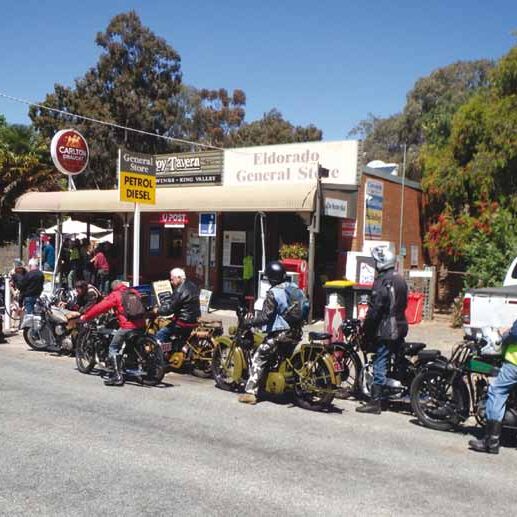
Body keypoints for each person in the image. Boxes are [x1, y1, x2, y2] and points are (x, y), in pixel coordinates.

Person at [238, 260, 303, 405]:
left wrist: (248, 322)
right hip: (296, 332)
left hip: (281, 334)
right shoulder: (294, 288)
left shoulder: (274, 293)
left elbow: (265, 317)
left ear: (271, 278)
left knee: (259, 356)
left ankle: (250, 393)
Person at [356, 246, 408, 415]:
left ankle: (375, 402)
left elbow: (375, 310)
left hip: (387, 328)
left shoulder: (382, 281)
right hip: (400, 325)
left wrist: (365, 329)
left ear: (381, 262)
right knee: (396, 357)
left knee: (380, 361)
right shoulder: (400, 279)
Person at [80, 280, 145, 386]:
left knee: (113, 348)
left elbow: (100, 308)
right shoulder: (134, 292)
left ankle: (117, 377)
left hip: (127, 326)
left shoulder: (116, 295)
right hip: (141, 325)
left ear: (113, 287)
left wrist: (86, 316)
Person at [468, 322, 517, 454]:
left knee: (497, 391)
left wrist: (503, 334)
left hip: (514, 363)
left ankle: (491, 442)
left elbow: (515, 334)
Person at [155, 268, 201, 345]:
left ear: (179, 278)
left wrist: (157, 310)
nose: (171, 281)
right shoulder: (192, 285)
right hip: (194, 320)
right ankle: (176, 348)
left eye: (172, 279)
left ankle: (160, 355)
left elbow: (170, 309)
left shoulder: (179, 291)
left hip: (183, 322)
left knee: (161, 334)